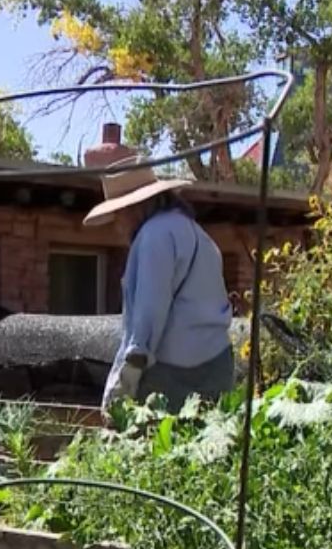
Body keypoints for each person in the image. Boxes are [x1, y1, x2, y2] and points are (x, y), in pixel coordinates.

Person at [84, 157, 235, 413]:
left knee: (157, 446)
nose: (118, 225)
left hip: (174, 375)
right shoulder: (198, 233)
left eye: (118, 214)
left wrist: (129, 371)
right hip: (217, 364)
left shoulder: (153, 235)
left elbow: (150, 308)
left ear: (135, 207)